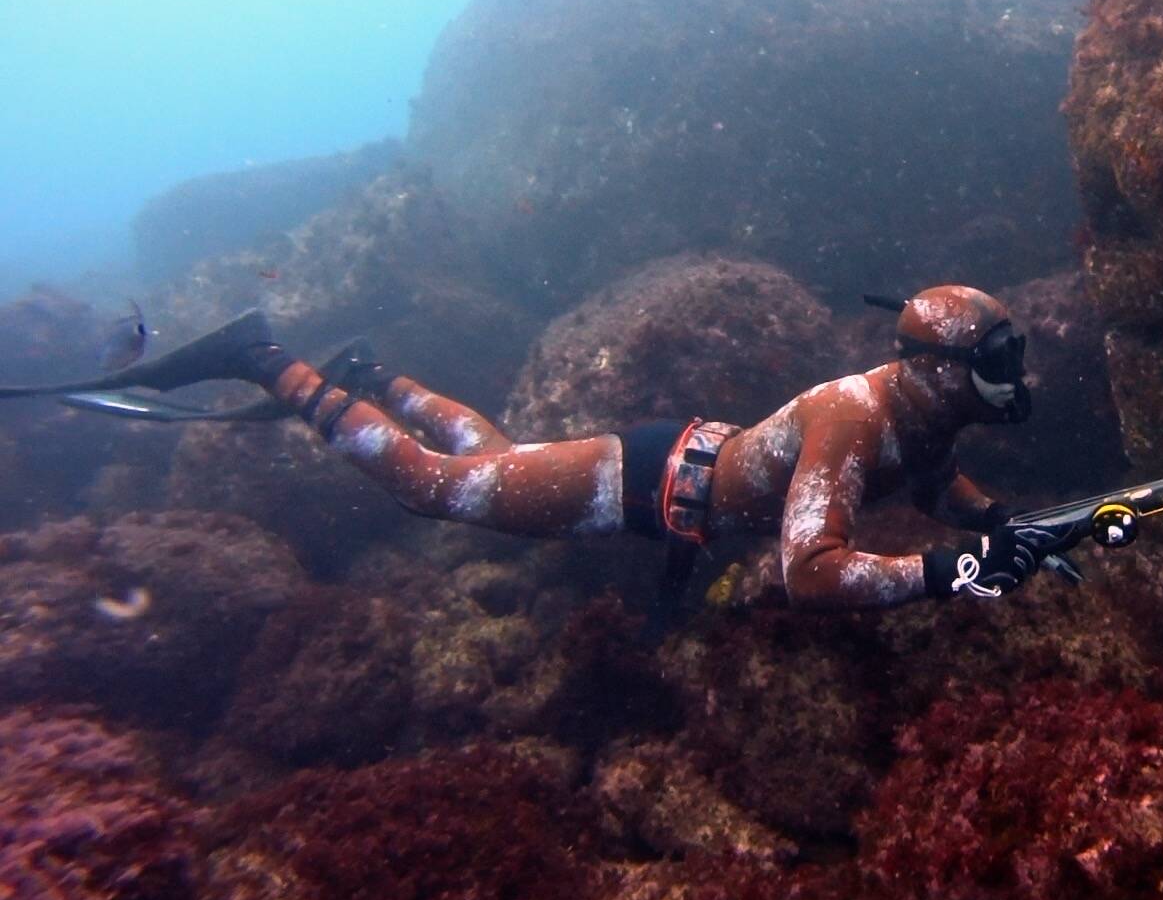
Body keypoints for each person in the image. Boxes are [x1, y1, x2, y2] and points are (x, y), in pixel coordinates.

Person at [2, 285, 1043, 608]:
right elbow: (810, 570)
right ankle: (269, 361)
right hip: (643, 482)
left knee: (497, 454)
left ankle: (378, 379)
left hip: (676, 463)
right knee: (440, 488)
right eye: (995, 354)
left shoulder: (923, 413)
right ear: (936, 364)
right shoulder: (855, 417)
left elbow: (929, 481)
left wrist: (989, 521)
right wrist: (946, 573)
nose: (1011, 374)